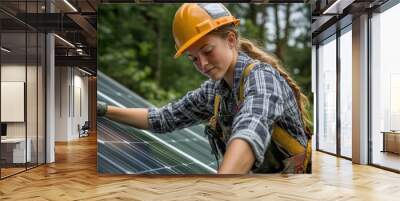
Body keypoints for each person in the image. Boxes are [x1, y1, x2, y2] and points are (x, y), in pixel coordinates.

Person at [97, 3, 312, 174]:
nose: (203, 64)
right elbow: (162, 118)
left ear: (230, 40)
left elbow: (251, 128)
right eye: (193, 59)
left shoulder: (261, 78)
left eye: (207, 51)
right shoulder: (214, 92)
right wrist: (104, 109)